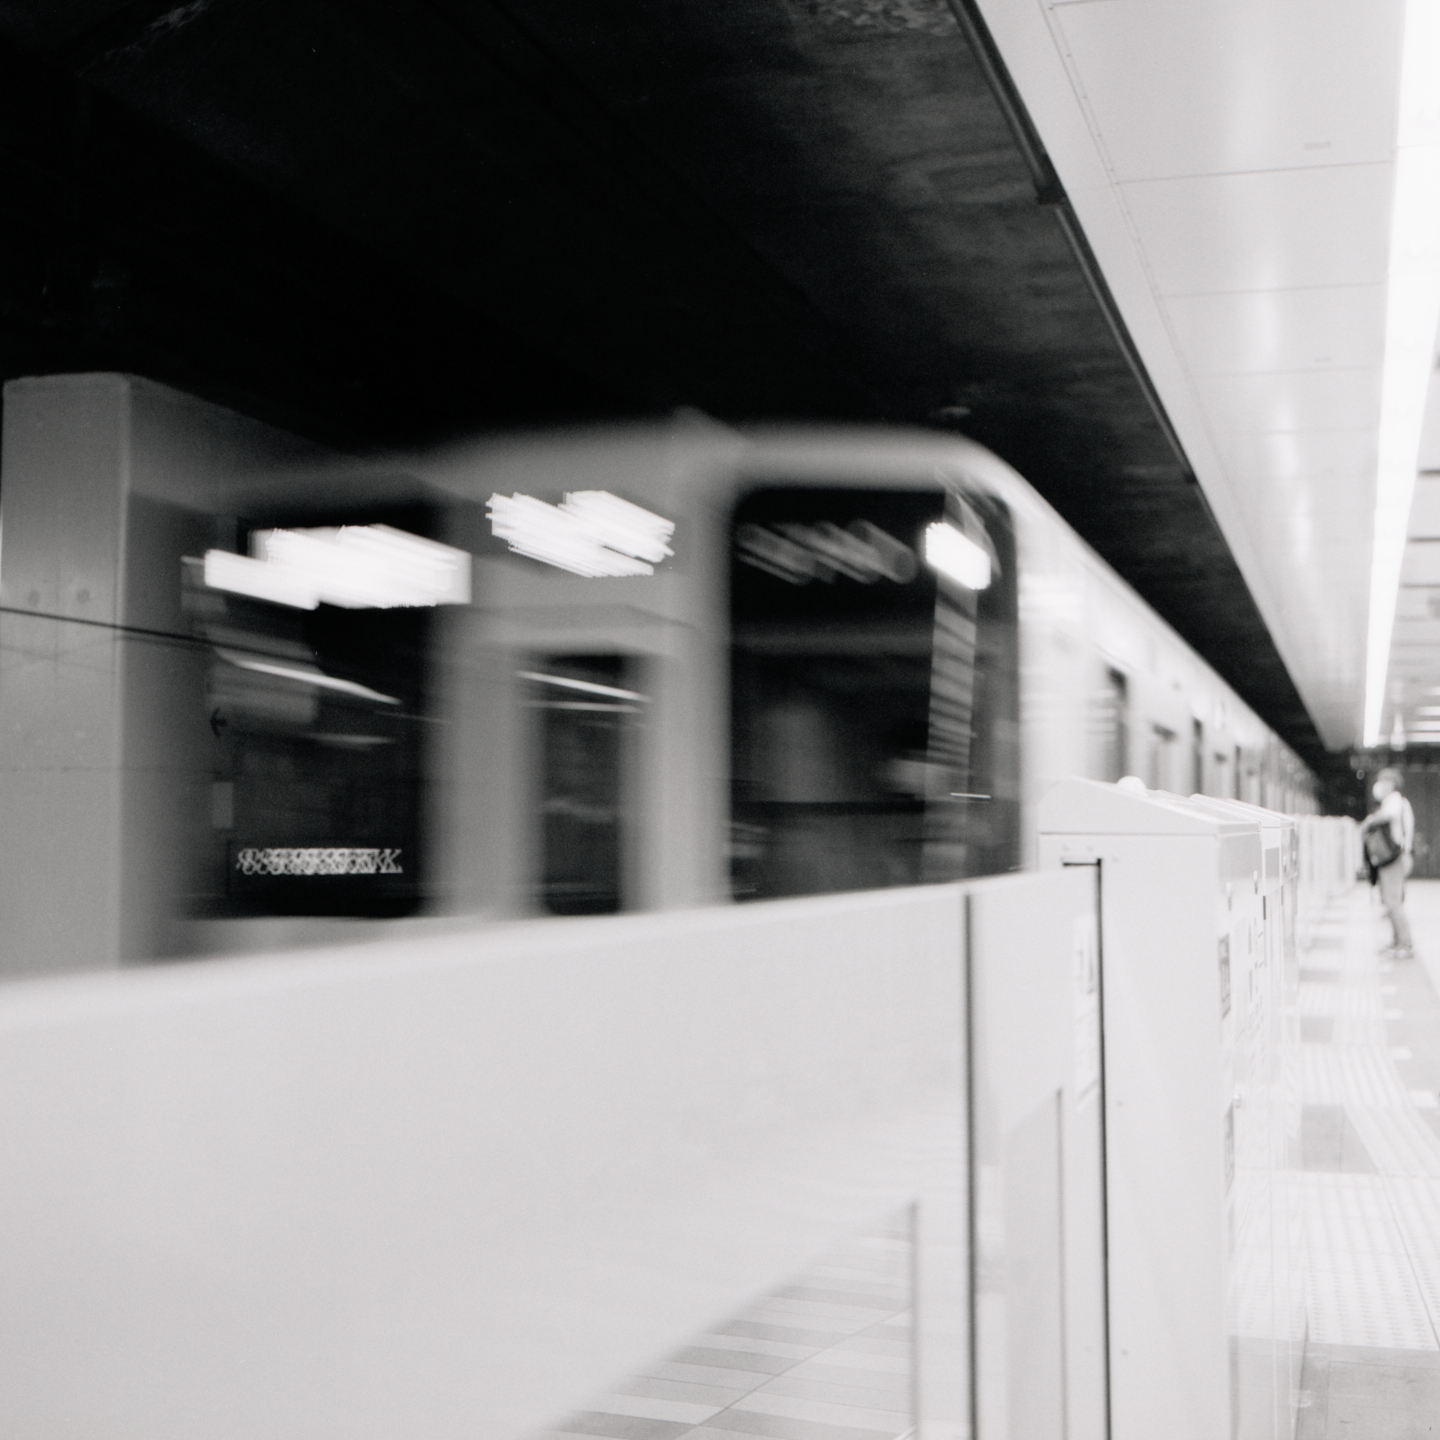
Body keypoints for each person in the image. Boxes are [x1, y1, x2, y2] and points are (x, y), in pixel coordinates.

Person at [1362, 767, 1415, 958]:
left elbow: (1388, 816)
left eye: (1383, 781)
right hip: (1393, 859)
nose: (1379, 786)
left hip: (1394, 859)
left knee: (1393, 901)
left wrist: (1369, 820)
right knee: (1391, 901)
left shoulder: (1395, 800)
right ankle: (1397, 942)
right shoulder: (1395, 801)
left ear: (1390, 783)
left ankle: (1406, 944)